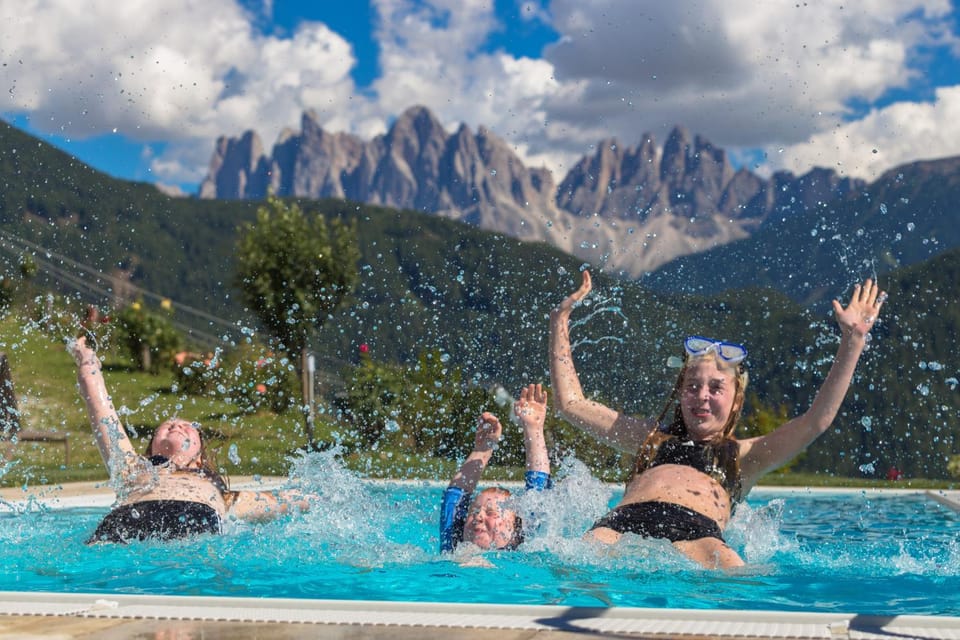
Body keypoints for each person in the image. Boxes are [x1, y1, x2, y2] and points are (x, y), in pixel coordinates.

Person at [549, 270, 886, 569]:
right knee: (567, 567)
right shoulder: (649, 438)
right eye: (692, 386)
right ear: (680, 392)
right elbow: (571, 404)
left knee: (740, 581)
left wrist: (853, 342)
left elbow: (816, 422)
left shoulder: (744, 456)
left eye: (715, 387)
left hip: (699, 534)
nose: (702, 396)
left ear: (736, 397)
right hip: (621, 524)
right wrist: (559, 321)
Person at [69, 335, 311, 544]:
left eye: (187, 427)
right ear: (151, 448)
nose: (176, 425)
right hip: (125, 521)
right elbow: (99, 405)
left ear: (200, 456)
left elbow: (286, 501)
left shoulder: (224, 496)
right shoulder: (131, 468)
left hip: (197, 519)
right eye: (168, 426)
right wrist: (86, 357)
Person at [439, 383, 552, 552]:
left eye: (491, 513)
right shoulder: (453, 546)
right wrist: (483, 449)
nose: (478, 516)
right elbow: (454, 499)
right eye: (473, 512)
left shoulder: (523, 550)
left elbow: (538, 492)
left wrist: (533, 429)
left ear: (514, 531)